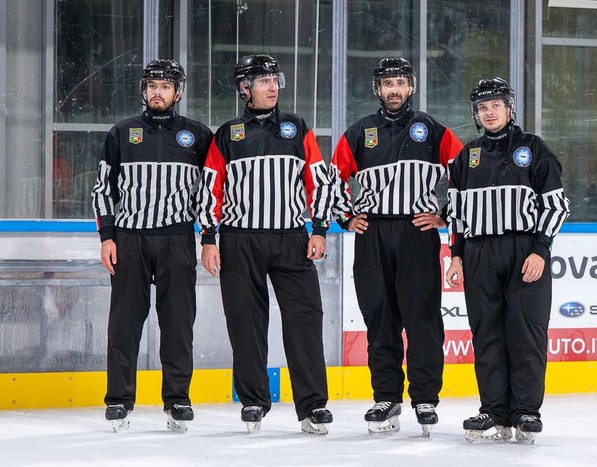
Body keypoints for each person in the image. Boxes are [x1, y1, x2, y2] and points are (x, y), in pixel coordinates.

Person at [198, 54, 334, 435]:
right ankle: (254, 402)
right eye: (262, 81)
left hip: (292, 238)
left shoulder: (296, 127)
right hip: (239, 240)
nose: (272, 86)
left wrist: (320, 229)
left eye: (275, 79)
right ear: (245, 88)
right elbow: (210, 187)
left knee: (305, 319)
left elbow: (320, 180)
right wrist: (209, 239)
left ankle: (312, 406)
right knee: (245, 320)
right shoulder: (227, 133)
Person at [329, 57, 464, 436]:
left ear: (411, 87)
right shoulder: (359, 132)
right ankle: (386, 396)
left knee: (422, 320)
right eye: (387, 83)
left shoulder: (433, 129)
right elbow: (331, 178)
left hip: (416, 233)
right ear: (377, 89)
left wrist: (443, 215)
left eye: (401, 83)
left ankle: (425, 397)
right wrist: (344, 218)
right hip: (371, 235)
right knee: (380, 320)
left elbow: (466, 173)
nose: (394, 90)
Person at [445, 77, 570, 444]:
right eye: (483, 108)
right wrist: (455, 255)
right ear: (477, 114)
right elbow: (456, 212)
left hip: (524, 253)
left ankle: (526, 411)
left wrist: (540, 248)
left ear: (509, 107)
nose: (490, 112)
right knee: (487, 334)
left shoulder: (533, 148)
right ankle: (494, 410)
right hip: (479, 254)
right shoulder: (467, 156)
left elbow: (556, 204)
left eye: (496, 105)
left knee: (526, 331)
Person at [92, 59, 214, 433]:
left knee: (178, 322)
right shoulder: (122, 132)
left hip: (177, 239)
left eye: (165, 85)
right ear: (143, 90)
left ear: (178, 92)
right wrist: (107, 237)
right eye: (152, 85)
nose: (157, 92)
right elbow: (102, 190)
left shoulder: (198, 135)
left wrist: (208, 237)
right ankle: (118, 400)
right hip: (129, 239)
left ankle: (177, 398)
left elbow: (209, 192)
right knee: (124, 323)